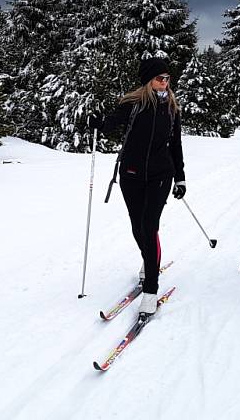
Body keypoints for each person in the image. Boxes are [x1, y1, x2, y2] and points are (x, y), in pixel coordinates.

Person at [91, 57, 186, 318]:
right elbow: (110, 123)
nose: (164, 83)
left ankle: (151, 291)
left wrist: (180, 178)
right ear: (148, 81)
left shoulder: (171, 108)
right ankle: (149, 259)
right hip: (131, 174)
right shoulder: (133, 104)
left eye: (167, 78)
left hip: (160, 175)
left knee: (149, 224)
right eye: (159, 78)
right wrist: (98, 123)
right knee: (137, 226)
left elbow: (175, 145)